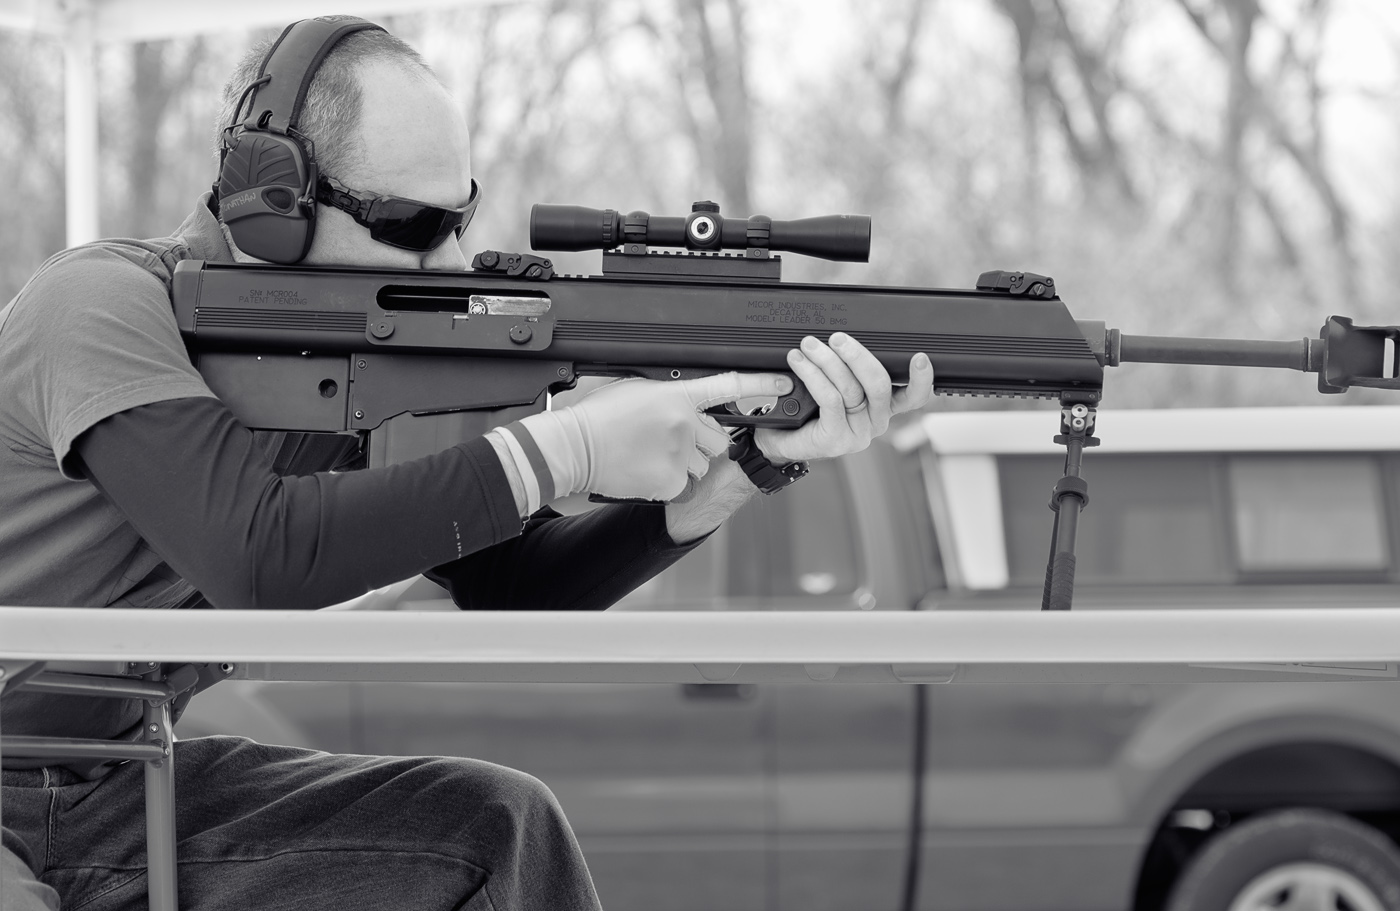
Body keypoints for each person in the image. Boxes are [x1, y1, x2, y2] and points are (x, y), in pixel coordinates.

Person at [0, 17, 935, 910]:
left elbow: (509, 588)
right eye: (414, 224)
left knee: (500, 829)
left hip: (117, 786)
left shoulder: (332, 367)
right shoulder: (98, 305)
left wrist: (739, 471)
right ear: (271, 199)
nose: (453, 260)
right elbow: (254, 553)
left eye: (463, 216)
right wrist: (563, 448)